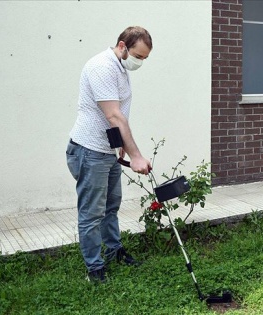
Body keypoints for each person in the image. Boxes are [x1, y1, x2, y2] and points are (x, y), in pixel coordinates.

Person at [66, 26, 153, 283]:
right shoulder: (102, 67)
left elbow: (117, 117)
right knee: (91, 213)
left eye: (145, 58)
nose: (141, 62)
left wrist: (121, 145)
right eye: (139, 56)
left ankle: (114, 251)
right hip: (89, 151)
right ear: (122, 46)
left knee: (110, 207)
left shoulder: (120, 67)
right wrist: (136, 156)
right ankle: (95, 269)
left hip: (108, 150)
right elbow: (113, 115)